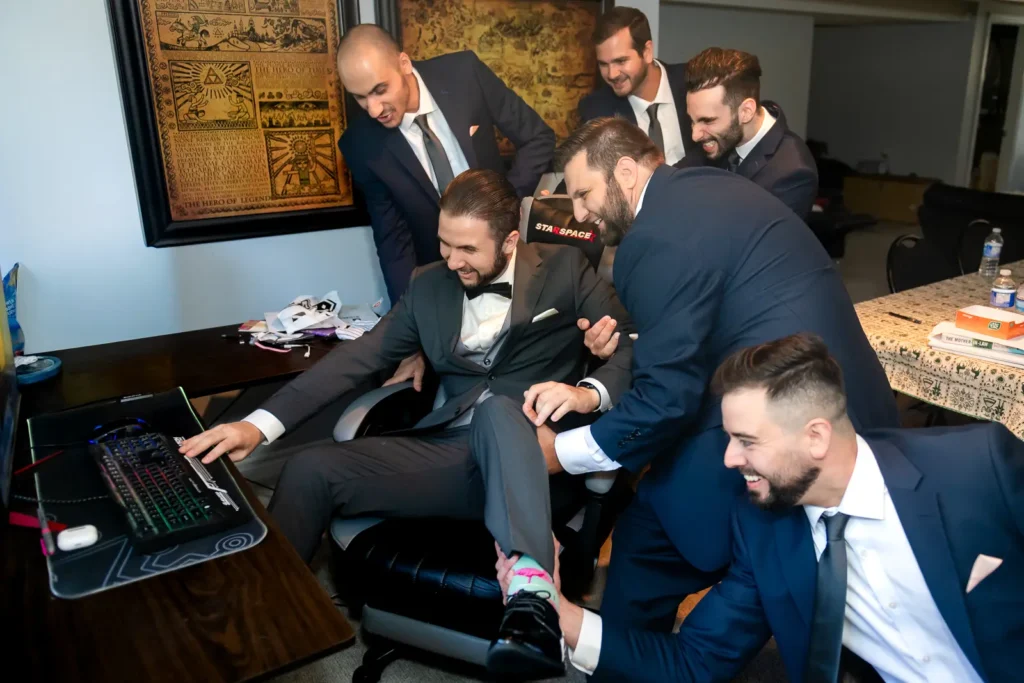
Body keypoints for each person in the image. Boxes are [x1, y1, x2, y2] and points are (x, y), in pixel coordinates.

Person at [178, 169, 634, 679]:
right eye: (444, 243)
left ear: (509, 240)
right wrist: (257, 426)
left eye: (466, 249)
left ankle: (531, 602)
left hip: (533, 459)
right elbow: (356, 358)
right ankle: (249, 629)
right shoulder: (427, 285)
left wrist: (586, 390)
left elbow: (629, 348)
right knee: (310, 467)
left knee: (497, 410)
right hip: (451, 457)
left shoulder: (567, 268)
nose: (451, 259)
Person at [526, 117, 898, 663]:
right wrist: (623, 354)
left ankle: (630, 663)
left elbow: (666, 399)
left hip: (776, 434)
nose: (578, 214)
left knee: (648, 539)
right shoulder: (705, 188)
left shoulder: (649, 241)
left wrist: (560, 453)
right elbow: (710, 314)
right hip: (851, 414)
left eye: (583, 194)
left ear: (625, 171)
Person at [502, 332, 1023, 682]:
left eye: (747, 441)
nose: (729, 459)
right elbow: (696, 661)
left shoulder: (980, 468)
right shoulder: (764, 528)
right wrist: (562, 615)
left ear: (816, 436)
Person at [337, 24, 555, 304]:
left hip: (512, 266)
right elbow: (393, 242)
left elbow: (538, 137)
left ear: (403, 64)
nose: (374, 109)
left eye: (380, 90)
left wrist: (505, 205)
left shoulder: (464, 74)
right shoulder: (361, 145)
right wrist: (409, 321)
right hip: (444, 286)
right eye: (360, 97)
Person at [677, 47, 818, 219]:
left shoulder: (793, 174)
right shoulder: (721, 137)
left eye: (707, 120)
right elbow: (675, 179)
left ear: (746, 112)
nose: (695, 135)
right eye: (692, 120)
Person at [576, 7, 701, 166]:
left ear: (647, 52)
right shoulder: (596, 110)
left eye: (621, 61)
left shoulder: (693, 81)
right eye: (603, 64)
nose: (612, 74)